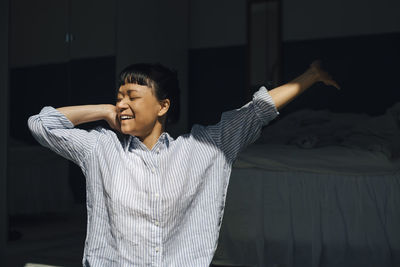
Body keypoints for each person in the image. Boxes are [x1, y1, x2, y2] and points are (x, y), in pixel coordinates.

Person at [28, 60, 339, 266]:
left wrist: (310, 76)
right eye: (118, 96)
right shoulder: (101, 148)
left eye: (131, 96)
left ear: (163, 105)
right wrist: (103, 110)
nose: (121, 103)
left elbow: (257, 111)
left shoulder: (202, 149)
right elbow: (43, 124)